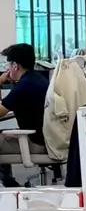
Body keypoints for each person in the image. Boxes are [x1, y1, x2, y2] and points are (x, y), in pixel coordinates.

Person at [0, 44, 49, 186]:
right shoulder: (36, 79)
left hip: (34, 143)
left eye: (7, 65)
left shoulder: (24, 86)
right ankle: (7, 182)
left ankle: (7, 184)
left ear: (15, 66)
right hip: (43, 137)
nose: (6, 69)